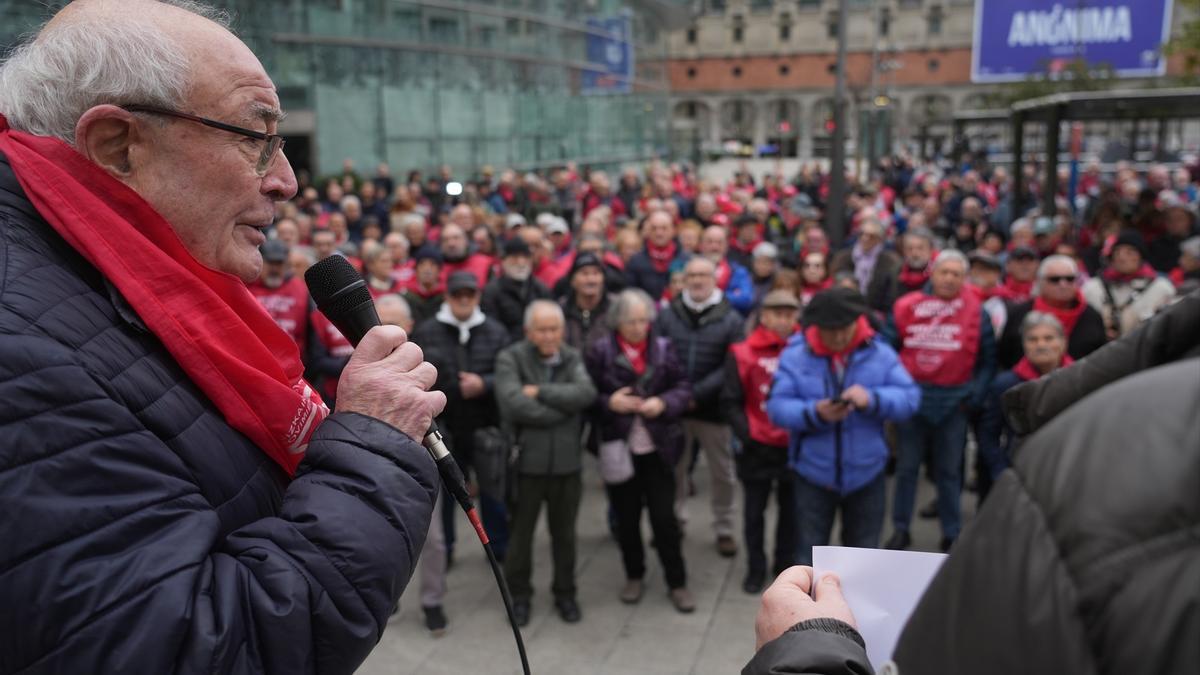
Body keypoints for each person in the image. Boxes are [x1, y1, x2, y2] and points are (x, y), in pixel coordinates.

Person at [0, 1, 445, 671]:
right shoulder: (21, 354)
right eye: (256, 136)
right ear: (119, 145)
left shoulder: (97, 280)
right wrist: (373, 445)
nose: (287, 180)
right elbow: (200, 647)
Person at [768, 288, 920, 566]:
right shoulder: (795, 356)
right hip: (813, 474)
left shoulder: (880, 353)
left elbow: (909, 399)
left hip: (867, 474)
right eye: (830, 330)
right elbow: (777, 408)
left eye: (845, 328)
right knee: (808, 559)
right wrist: (814, 412)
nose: (838, 337)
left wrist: (872, 399)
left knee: (861, 560)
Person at [585, 289, 696, 613]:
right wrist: (611, 403)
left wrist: (662, 402)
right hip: (618, 446)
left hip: (658, 447)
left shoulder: (663, 348)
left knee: (665, 518)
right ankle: (634, 574)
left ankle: (677, 581)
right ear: (617, 322)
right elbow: (587, 395)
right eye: (631, 321)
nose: (638, 327)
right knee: (626, 517)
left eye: (643, 321)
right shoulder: (600, 351)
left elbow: (683, 387)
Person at [495, 301, 597, 626]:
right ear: (529, 331)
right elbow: (513, 404)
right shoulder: (510, 358)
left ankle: (565, 593)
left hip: (568, 465)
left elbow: (585, 393)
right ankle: (519, 596)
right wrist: (562, 410)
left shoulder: (572, 356)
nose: (550, 335)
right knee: (521, 536)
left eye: (555, 328)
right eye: (542, 329)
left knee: (565, 535)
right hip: (526, 465)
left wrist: (540, 391)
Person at [886, 250, 995, 551]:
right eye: (944, 272)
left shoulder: (977, 311)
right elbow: (887, 351)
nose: (949, 278)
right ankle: (900, 529)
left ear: (964, 278)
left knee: (950, 472)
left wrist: (973, 397)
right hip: (912, 401)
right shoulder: (906, 306)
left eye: (956, 274)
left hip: (954, 404)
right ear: (932, 274)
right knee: (907, 470)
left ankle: (951, 531)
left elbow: (988, 362)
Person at [411, 271, 511, 562]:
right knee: (447, 495)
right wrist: (454, 386)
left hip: (485, 424)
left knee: (493, 489)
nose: (464, 300)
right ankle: (448, 549)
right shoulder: (428, 331)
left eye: (469, 294)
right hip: (446, 427)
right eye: (458, 295)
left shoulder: (495, 330)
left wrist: (485, 383)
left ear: (478, 297)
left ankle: (497, 546)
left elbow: (506, 372)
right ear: (448, 296)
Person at [655, 256, 745, 556]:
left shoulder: (731, 318)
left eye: (702, 275)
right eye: (690, 275)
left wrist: (698, 393)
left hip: (713, 410)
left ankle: (724, 528)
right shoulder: (669, 314)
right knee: (675, 469)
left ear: (714, 279)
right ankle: (676, 520)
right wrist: (680, 395)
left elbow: (730, 364)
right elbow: (660, 355)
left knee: (722, 473)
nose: (696, 280)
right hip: (677, 408)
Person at [721, 290, 802, 593]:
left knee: (791, 514)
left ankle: (784, 568)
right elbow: (730, 401)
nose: (783, 320)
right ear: (764, 316)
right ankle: (755, 567)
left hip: (793, 445)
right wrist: (748, 435)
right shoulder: (742, 352)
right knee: (754, 512)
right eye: (777, 313)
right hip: (756, 446)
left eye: (789, 314)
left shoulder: (805, 350)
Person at [977, 312, 1072, 502]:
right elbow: (988, 433)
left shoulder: (1079, 380)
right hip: (1020, 476)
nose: (1041, 345)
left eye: (1048, 338)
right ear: (1024, 345)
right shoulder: (1005, 385)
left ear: (1063, 342)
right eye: (1033, 339)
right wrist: (1001, 471)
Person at [997, 255, 1107, 369]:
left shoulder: (1091, 315)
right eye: (1055, 279)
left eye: (1070, 279)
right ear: (1040, 282)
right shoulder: (1019, 314)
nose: (1063, 284)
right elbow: (1004, 356)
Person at [1082, 230, 1176, 339]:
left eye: (1130, 252)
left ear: (1141, 257)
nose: (1121, 258)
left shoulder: (1162, 289)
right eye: (1117, 252)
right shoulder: (1092, 288)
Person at [481, 237, 551, 344]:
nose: (521, 262)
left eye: (525, 257)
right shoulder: (492, 291)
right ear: (504, 261)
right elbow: (490, 327)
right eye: (515, 257)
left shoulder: (540, 289)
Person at [247, 238, 310, 354]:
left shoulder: (301, 289)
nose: (274, 269)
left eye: (279, 263)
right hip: (254, 358)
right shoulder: (245, 287)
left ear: (286, 264)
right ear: (260, 261)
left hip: (293, 363)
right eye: (270, 263)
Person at [829, 217, 900, 314]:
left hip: (877, 311)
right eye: (861, 234)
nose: (864, 238)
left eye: (871, 236)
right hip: (844, 308)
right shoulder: (843, 257)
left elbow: (891, 292)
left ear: (880, 239)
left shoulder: (890, 261)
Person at [560, 251, 613, 353]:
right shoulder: (560, 310)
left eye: (596, 273)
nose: (591, 280)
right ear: (572, 280)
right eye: (584, 273)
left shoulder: (616, 308)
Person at [626, 210, 686, 300]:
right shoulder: (635, 261)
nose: (659, 233)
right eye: (654, 228)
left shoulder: (685, 259)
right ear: (648, 231)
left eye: (664, 228)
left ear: (673, 230)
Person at [700, 224, 756, 314]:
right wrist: (732, 294)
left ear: (726, 246)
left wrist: (709, 296)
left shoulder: (738, 271)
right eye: (710, 242)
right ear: (701, 245)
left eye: (719, 242)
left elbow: (746, 299)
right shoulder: (690, 269)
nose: (715, 247)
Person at [402, 243, 446, 326]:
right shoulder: (406, 296)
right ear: (416, 269)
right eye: (422, 264)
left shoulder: (446, 297)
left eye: (432, 264)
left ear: (439, 270)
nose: (427, 269)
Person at [439, 222, 492, 288]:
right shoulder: (437, 267)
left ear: (466, 240)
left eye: (456, 238)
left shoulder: (485, 263)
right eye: (445, 240)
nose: (451, 244)